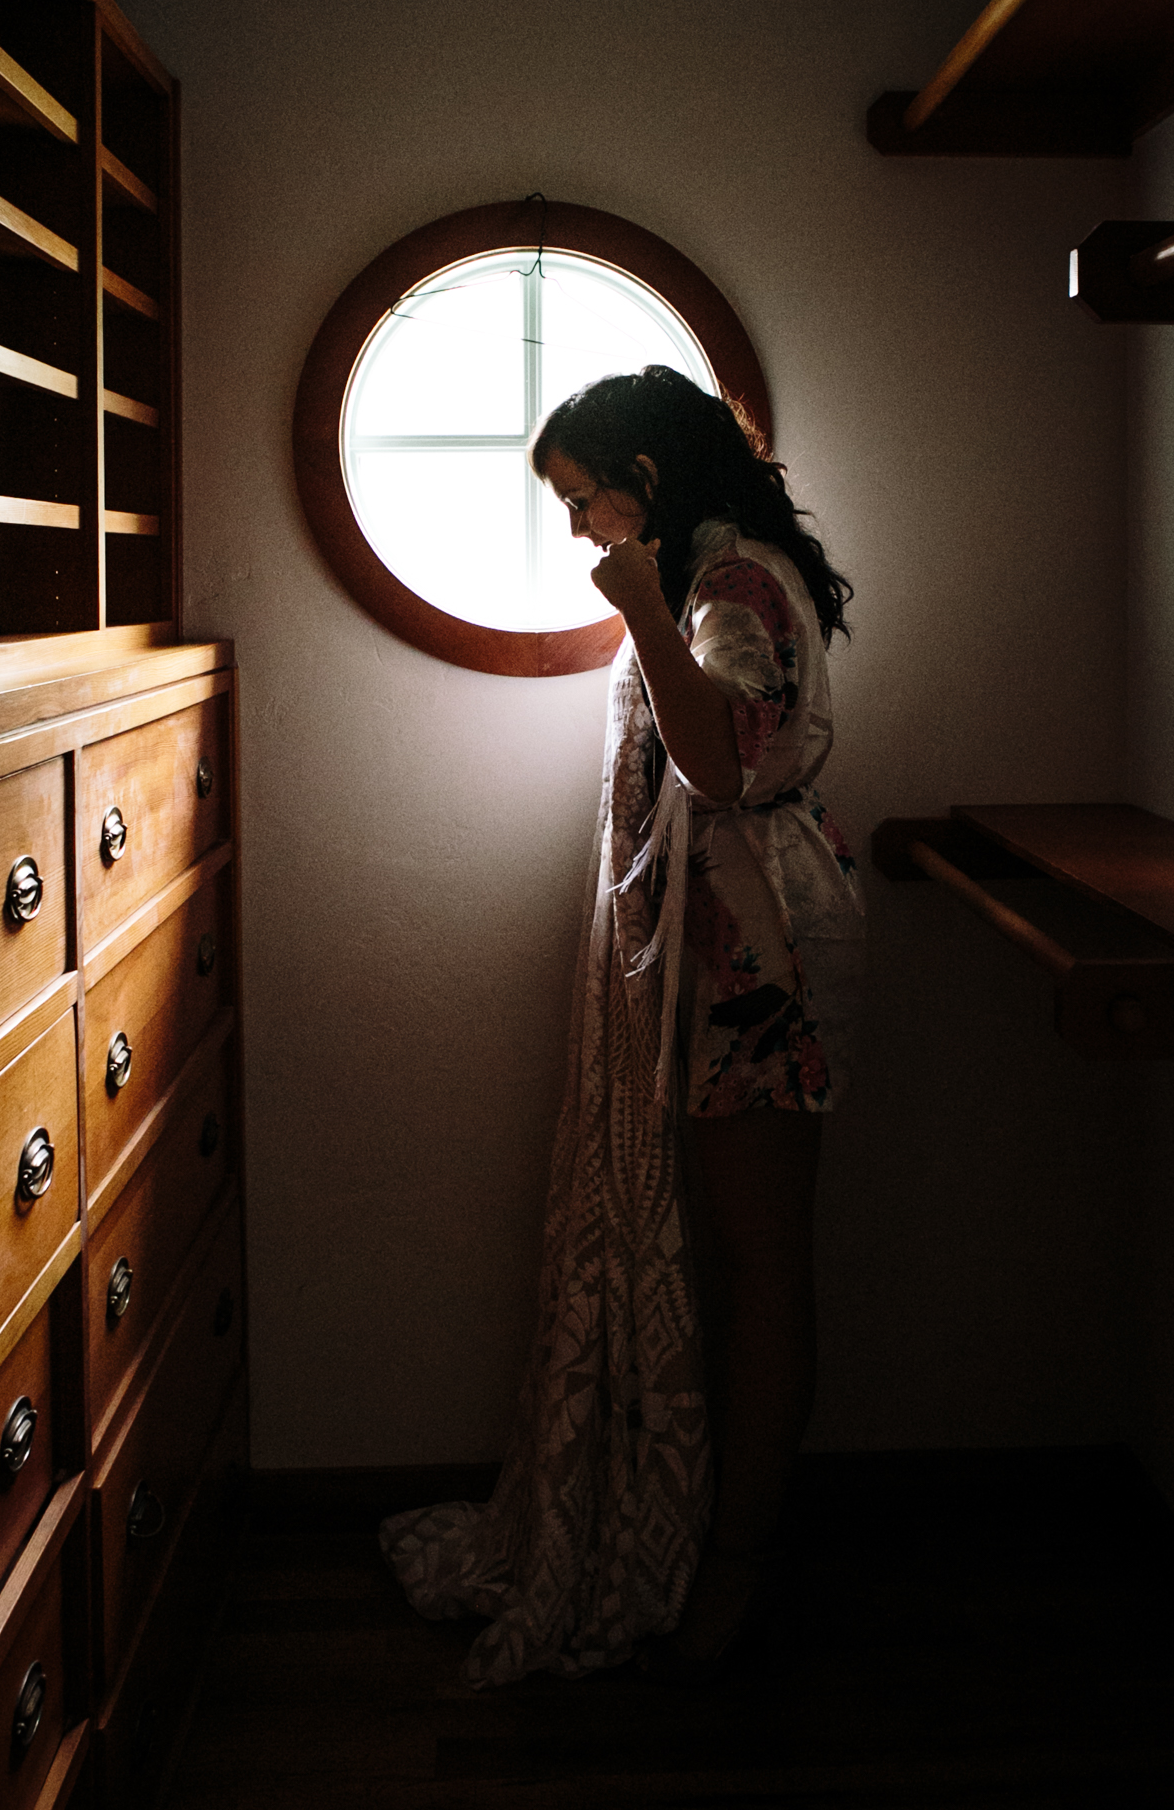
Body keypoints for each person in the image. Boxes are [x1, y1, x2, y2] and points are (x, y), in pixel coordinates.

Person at [380, 364, 865, 1688]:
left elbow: (722, 763)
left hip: (756, 961)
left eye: (584, 499)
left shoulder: (723, 585)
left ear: (645, 483)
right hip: (741, 943)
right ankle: (716, 1535)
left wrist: (643, 600)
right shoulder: (728, 573)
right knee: (734, 1253)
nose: (580, 531)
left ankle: (740, 1569)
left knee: (762, 1263)